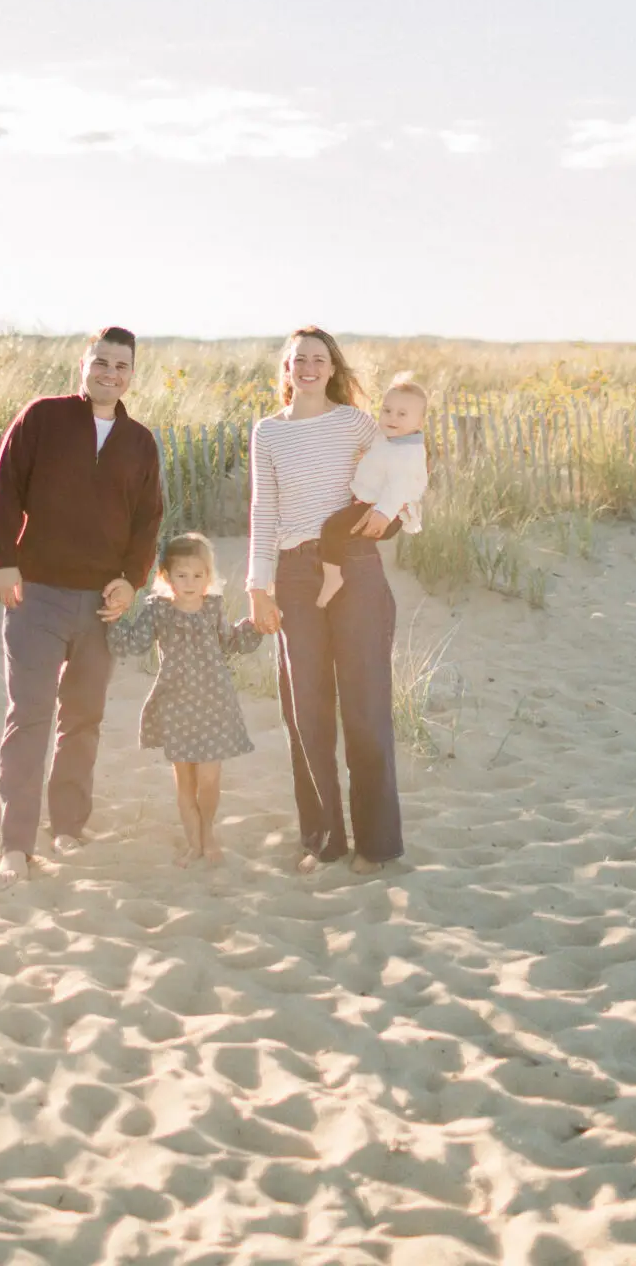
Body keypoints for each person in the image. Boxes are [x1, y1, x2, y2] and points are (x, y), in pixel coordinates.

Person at [0, 326, 163, 883]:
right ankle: (15, 844)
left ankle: (67, 827)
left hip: (101, 604)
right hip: (36, 594)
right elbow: (6, 488)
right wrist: (4, 558)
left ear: (132, 375)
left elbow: (147, 522)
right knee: (29, 716)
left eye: (121, 366)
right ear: (84, 365)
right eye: (102, 362)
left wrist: (131, 581)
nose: (110, 373)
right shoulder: (42, 417)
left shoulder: (140, 442)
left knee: (82, 720)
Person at [246, 326, 403, 875]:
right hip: (293, 575)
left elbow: (399, 474)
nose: (309, 367)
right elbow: (264, 510)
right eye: (299, 359)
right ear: (287, 369)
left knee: (365, 707)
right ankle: (324, 840)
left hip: (354, 566)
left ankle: (376, 845)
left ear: (333, 368)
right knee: (306, 713)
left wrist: (391, 514)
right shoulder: (268, 432)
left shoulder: (355, 423)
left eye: (319, 359)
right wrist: (257, 586)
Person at [108, 531, 263, 866]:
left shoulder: (212, 608)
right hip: (176, 703)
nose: (190, 583)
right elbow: (133, 644)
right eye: (181, 575)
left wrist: (256, 626)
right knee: (186, 782)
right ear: (166, 577)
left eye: (197, 575)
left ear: (208, 577)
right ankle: (194, 844)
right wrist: (115, 617)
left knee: (209, 779)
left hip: (214, 702)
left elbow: (230, 641)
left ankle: (208, 832)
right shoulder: (158, 610)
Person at [315, 375, 429, 609]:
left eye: (402, 414)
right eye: (387, 410)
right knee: (345, 532)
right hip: (372, 503)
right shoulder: (389, 440)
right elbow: (381, 462)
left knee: (332, 528)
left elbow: (399, 487)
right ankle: (340, 573)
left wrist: (383, 513)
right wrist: (366, 457)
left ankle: (333, 578)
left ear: (419, 422)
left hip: (385, 511)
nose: (392, 418)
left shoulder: (409, 453)